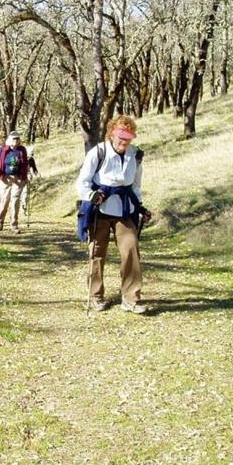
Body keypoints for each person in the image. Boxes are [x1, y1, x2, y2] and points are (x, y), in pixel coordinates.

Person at [75, 115, 152, 315]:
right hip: (99, 210)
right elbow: (82, 183)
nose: (123, 143)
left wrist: (140, 206)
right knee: (97, 253)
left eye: (128, 139)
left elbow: (135, 184)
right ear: (112, 134)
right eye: (120, 138)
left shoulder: (135, 155)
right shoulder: (98, 153)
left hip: (124, 210)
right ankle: (95, 296)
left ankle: (131, 297)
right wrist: (92, 195)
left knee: (131, 249)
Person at [0, 130, 29, 233]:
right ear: (10, 140)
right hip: (5, 178)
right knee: (5, 200)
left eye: (18, 138)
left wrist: (28, 173)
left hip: (18, 178)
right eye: (14, 139)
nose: (16, 140)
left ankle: (14, 225)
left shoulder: (22, 150)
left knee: (15, 201)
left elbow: (25, 163)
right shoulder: (3, 150)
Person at [20, 145, 40, 216]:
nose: (32, 154)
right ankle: (17, 207)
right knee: (19, 194)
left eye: (32, 153)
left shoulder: (31, 160)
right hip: (19, 179)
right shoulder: (21, 158)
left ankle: (24, 208)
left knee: (25, 194)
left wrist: (37, 174)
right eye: (31, 153)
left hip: (27, 179)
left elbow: (34, 169)